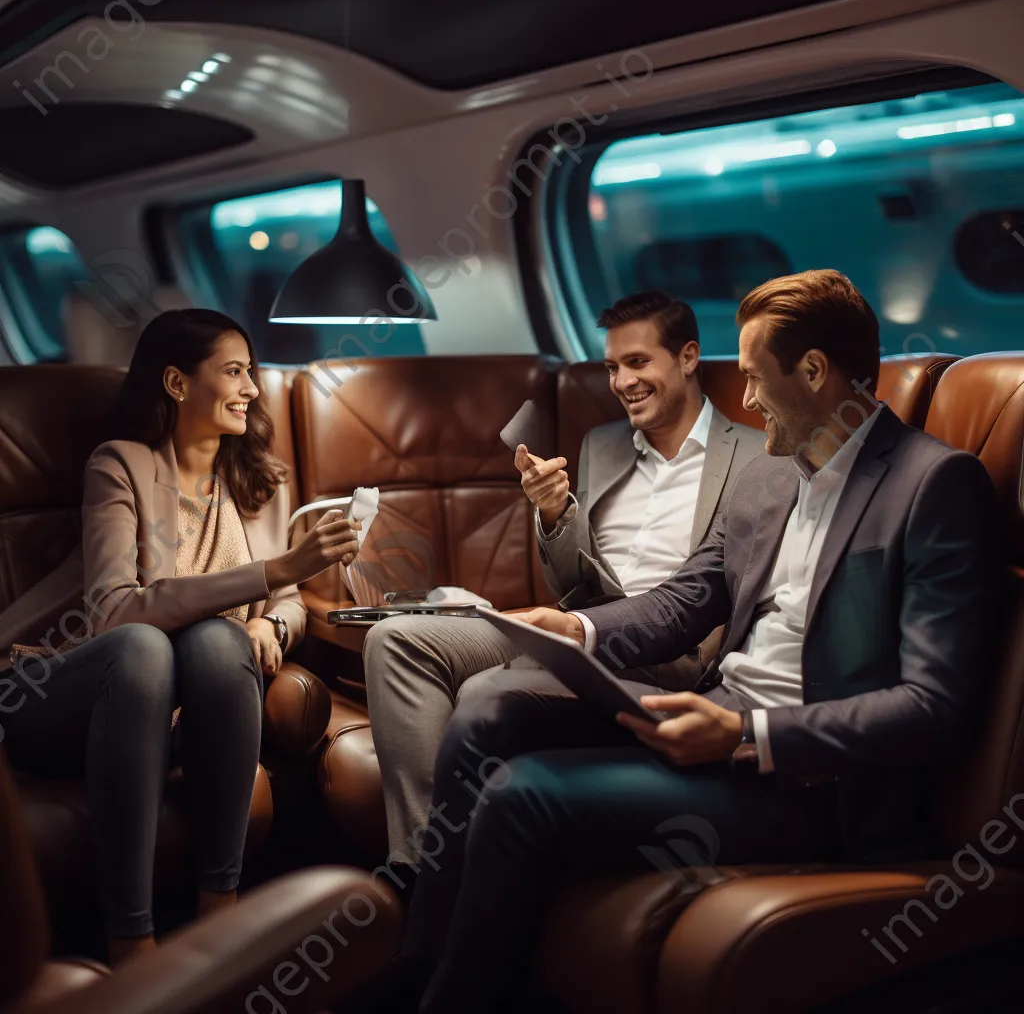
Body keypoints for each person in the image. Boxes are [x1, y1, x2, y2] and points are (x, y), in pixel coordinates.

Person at [400, 270, 1001, 1013]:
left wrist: (750, 732)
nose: (744, 402)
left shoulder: (935, 484)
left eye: (754, 379)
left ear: (813, 372)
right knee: (489, 711)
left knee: (523, 796)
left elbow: (933, 708)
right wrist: (578, 627)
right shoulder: (772, 477)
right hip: (715, 713)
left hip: (813, 785)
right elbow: (689, 598)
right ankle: (415, 968)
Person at [0, 310, 361, 966]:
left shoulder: (254, 477)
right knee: (143, 645)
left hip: (164, 693)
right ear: (175, 382)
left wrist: (271, 619)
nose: (251, 387)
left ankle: (216, 922)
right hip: (51, 683)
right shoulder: (121, 466)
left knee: (220, 645)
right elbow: (115, 612)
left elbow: (287, 598)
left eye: (251, 371)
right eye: (233, 371)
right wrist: (278, 570)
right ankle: (131, 942)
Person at [363, 290, 764, 870]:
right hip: (584, 628)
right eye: (611, 367)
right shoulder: (601, 445)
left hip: (676, 650)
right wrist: (555, 515)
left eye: (637, 362)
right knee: (395, 640)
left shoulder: (755, 454)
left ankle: (443, 875)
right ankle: (424, 861)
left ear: (689, 357)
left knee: (486, 693)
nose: (622, 381)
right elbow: (575, 590)